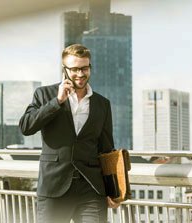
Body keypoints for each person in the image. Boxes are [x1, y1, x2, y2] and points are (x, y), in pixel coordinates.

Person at [19, 44, 120, 223]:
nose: (80, 74)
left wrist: (113, 190)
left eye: (85, 68)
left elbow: (106, 149)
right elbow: (26, 127)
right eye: (74, 69)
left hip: (91, 189)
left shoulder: (102, 104)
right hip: (54, 187)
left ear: (90, 67)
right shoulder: (44, 94)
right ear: (64, 70)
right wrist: (56, 102)